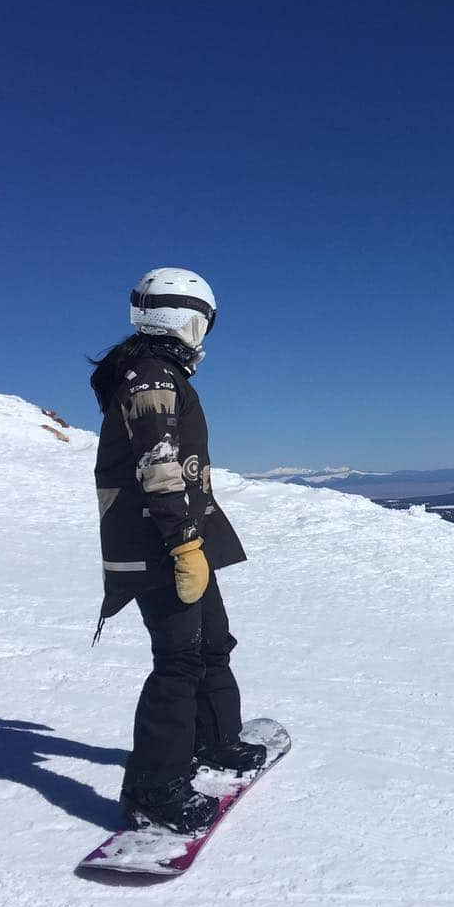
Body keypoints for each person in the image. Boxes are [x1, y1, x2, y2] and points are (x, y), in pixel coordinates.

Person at [89, 267, 265, 833]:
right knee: (180, 658)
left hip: (178, 539)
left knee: (212, 640)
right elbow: (159, 466)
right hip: (160, 544)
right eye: (204, 322)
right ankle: (153, 789)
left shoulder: (157, 372)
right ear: (189, 319)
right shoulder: (150, 377)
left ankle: (214, 740)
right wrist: (186, 544)